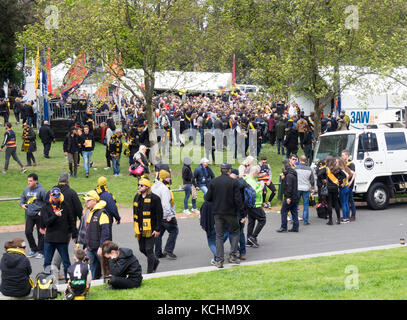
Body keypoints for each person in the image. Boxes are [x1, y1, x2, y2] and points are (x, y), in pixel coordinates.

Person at [205, 163, 244, 268]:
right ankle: (232, 255)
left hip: (218, 212)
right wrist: (243, 214)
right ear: (229, 170)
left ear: (221, 170)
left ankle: (219, 260)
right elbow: (238, 200)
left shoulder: (214, 182)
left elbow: (207, 198)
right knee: (236, 232)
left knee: (219, 236)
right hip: (231, 212)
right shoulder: (234, 182)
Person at [40, 187, 78, 281]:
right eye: (54, 196)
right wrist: (55, 216)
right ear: (51, 196)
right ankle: (47, 281)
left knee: (66, 262)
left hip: (62, 238)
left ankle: (69, 280)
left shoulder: (65, 205)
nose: (56, 198)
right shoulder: (46, 207)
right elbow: (46, 222)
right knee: (47, 262)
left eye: (57, 196)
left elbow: (72, 220)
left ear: (60, 195)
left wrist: (74, 234)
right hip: (50, 238)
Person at [133, 178, 163, 273]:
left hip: (151, 228)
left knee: (149, 250)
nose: (139, 187)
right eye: (139, 185)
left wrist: (157, 229)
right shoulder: (137, 197)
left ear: (147, 187)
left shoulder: (155, 198)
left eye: (141, 185)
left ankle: (150, 272)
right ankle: (155, 261)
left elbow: (159, 214)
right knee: (142, 249)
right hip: (140, 228)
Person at [81, 190, 111, 279]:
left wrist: (101, 247)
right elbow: (87, 231)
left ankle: (109, 284)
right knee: (91, 270)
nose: (86, 202)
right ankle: (93, 285)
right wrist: (86, 246)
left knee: (106, 269)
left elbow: (105, 233)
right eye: (86, 200)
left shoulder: (102, 213)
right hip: (90, 248)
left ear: (95, 201)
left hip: (99, 248)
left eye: (88, 200)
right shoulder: (90, 212)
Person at [152, 170, 179, 260]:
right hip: (165, 215)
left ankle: (158, 252)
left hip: (156, 215)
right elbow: (165, 204)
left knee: (159, 233)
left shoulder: (153, 186)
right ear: (164, 178)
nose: (169, 178)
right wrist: (168, 215)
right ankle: (168, 249)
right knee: (174, 231)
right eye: (168, 177)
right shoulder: (164, 188)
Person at [20, 173, 47, 258]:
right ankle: (33, 249)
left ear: (35, 181)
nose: (28, 182)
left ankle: (41, 251)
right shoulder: (26, 189)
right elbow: (22, 198)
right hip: (29, 214)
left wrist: (42, 211)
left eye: (30, 181)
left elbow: (47, 203)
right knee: (27, 232)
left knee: (40, 233)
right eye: (28, 181)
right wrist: (22, 205)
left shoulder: (41, 190)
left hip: (39, 215)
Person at [317, 155, 346, 225]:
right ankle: (338, 219)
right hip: (335, 187)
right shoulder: (337, 168)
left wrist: (323, 180)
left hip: (329, 187)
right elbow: (344, 175)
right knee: (336, 203)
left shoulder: (326, 169)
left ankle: (330, 220)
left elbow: (319, 174)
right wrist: (339, 180)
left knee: (329, 203)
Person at [243, 166, 267, 247]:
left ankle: (249, 240)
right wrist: (261, 187)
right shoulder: (250, 181)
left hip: (251, 204)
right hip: (254, 204)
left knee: (251, 221)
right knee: (262, 219)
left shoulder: (251, 179)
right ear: (253, 173)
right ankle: (253, 237)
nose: (258, 175)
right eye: (257, 173)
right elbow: (252, 194)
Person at [277, 155, 299, 232]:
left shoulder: (289, 176)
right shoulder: (293, 174)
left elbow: (289, 187)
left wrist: (288, 197)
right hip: (295, 196)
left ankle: (283, 227)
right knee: (294, 212)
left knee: (283, 211)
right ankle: (295, 227)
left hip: (290, 196)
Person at [295, 155, 314, 225]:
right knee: (306, 204)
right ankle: (305, 220)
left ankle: (294, 219)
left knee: (295, 204)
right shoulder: (309, 169)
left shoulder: (296, 168)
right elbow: (312, 180)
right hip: (306, 188)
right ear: (306, 161)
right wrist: (312, 187)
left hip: (297, 188)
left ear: (299, 160)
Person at [341, 149, 357, 221]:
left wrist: (350, 182)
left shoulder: (351, 164)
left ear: (347, 155)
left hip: (349, 184)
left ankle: (353, 215)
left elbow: (353, 174)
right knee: (346, 200)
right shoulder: (344, 163)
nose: (342, 156)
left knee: (350, 199)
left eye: (343, 155)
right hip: (346, 183)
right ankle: (346, 215)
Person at [337, 157, 353, 223]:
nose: (336, 163)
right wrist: (348, 182)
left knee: (343, 203)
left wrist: (343, 183)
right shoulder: (346, 168)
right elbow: (351, 174)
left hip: (343, 188)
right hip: (347, 187)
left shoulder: (341, 169)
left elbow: (346, 176)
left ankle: (345, 218)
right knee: (346, 203)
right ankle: (347, 217)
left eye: (337, 161)